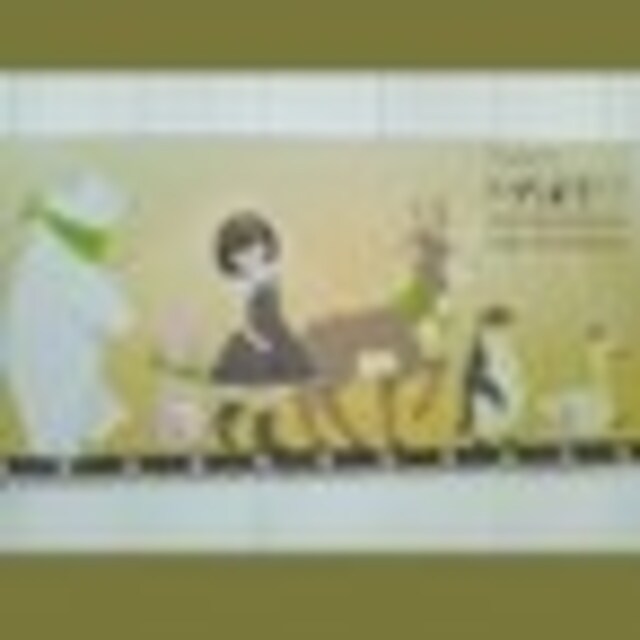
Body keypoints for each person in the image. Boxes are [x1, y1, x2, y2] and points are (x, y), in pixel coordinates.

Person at [210, 210, 315, 455]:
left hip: (277, 334)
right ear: (230, 258)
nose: (251, 257)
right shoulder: (240, 285)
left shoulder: (271, 272)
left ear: (266, 246)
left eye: (256, 249)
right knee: (252, 391)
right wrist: (255, 340)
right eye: (241, 254)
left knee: (276, 391)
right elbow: (240, 317)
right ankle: (226, 423)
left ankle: (264, 436)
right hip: (254, 342)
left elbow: (276, 304)